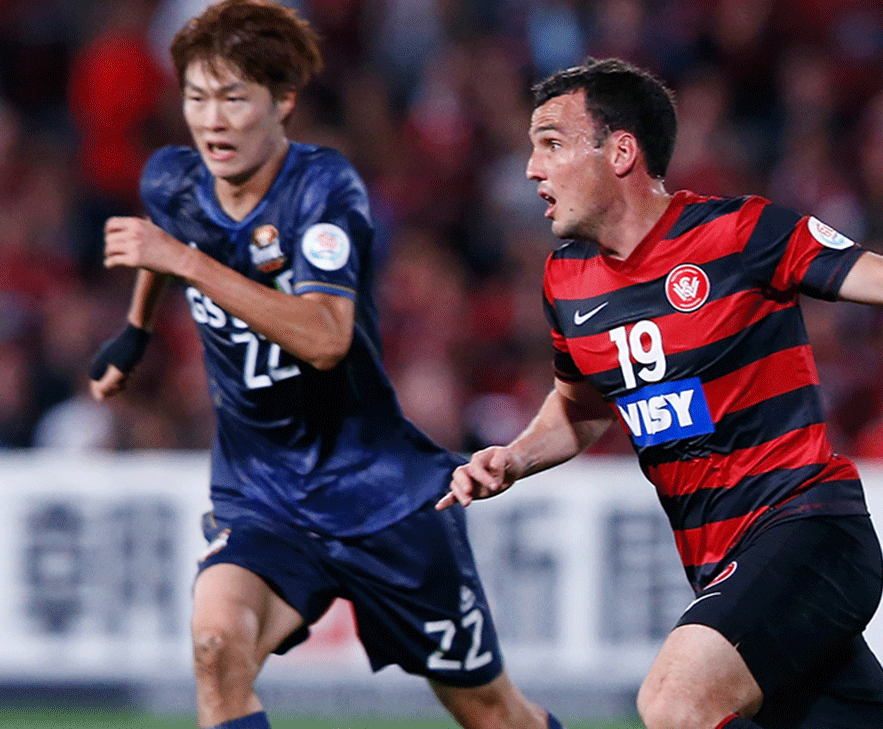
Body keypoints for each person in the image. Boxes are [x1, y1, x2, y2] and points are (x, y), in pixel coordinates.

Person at [439, 58, 883, 729]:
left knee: (673, 701)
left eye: (551, 143)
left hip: (808, 530)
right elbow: (580, 408)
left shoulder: (739, 234)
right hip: (721, 563)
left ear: (622, 152)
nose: (531, 169)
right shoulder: (566, 281)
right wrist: (514, 457)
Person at [88, 3, 562, 728]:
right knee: (217, 644)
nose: (212, 119)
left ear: (282, 102)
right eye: (196, 96)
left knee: (492, 713)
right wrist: (135, 333)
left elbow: (325, 337)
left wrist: (181, 262)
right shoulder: (173, 180)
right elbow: (165, 239)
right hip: (264, 495)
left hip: (382, 499)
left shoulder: (323, 190)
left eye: (234, 98)